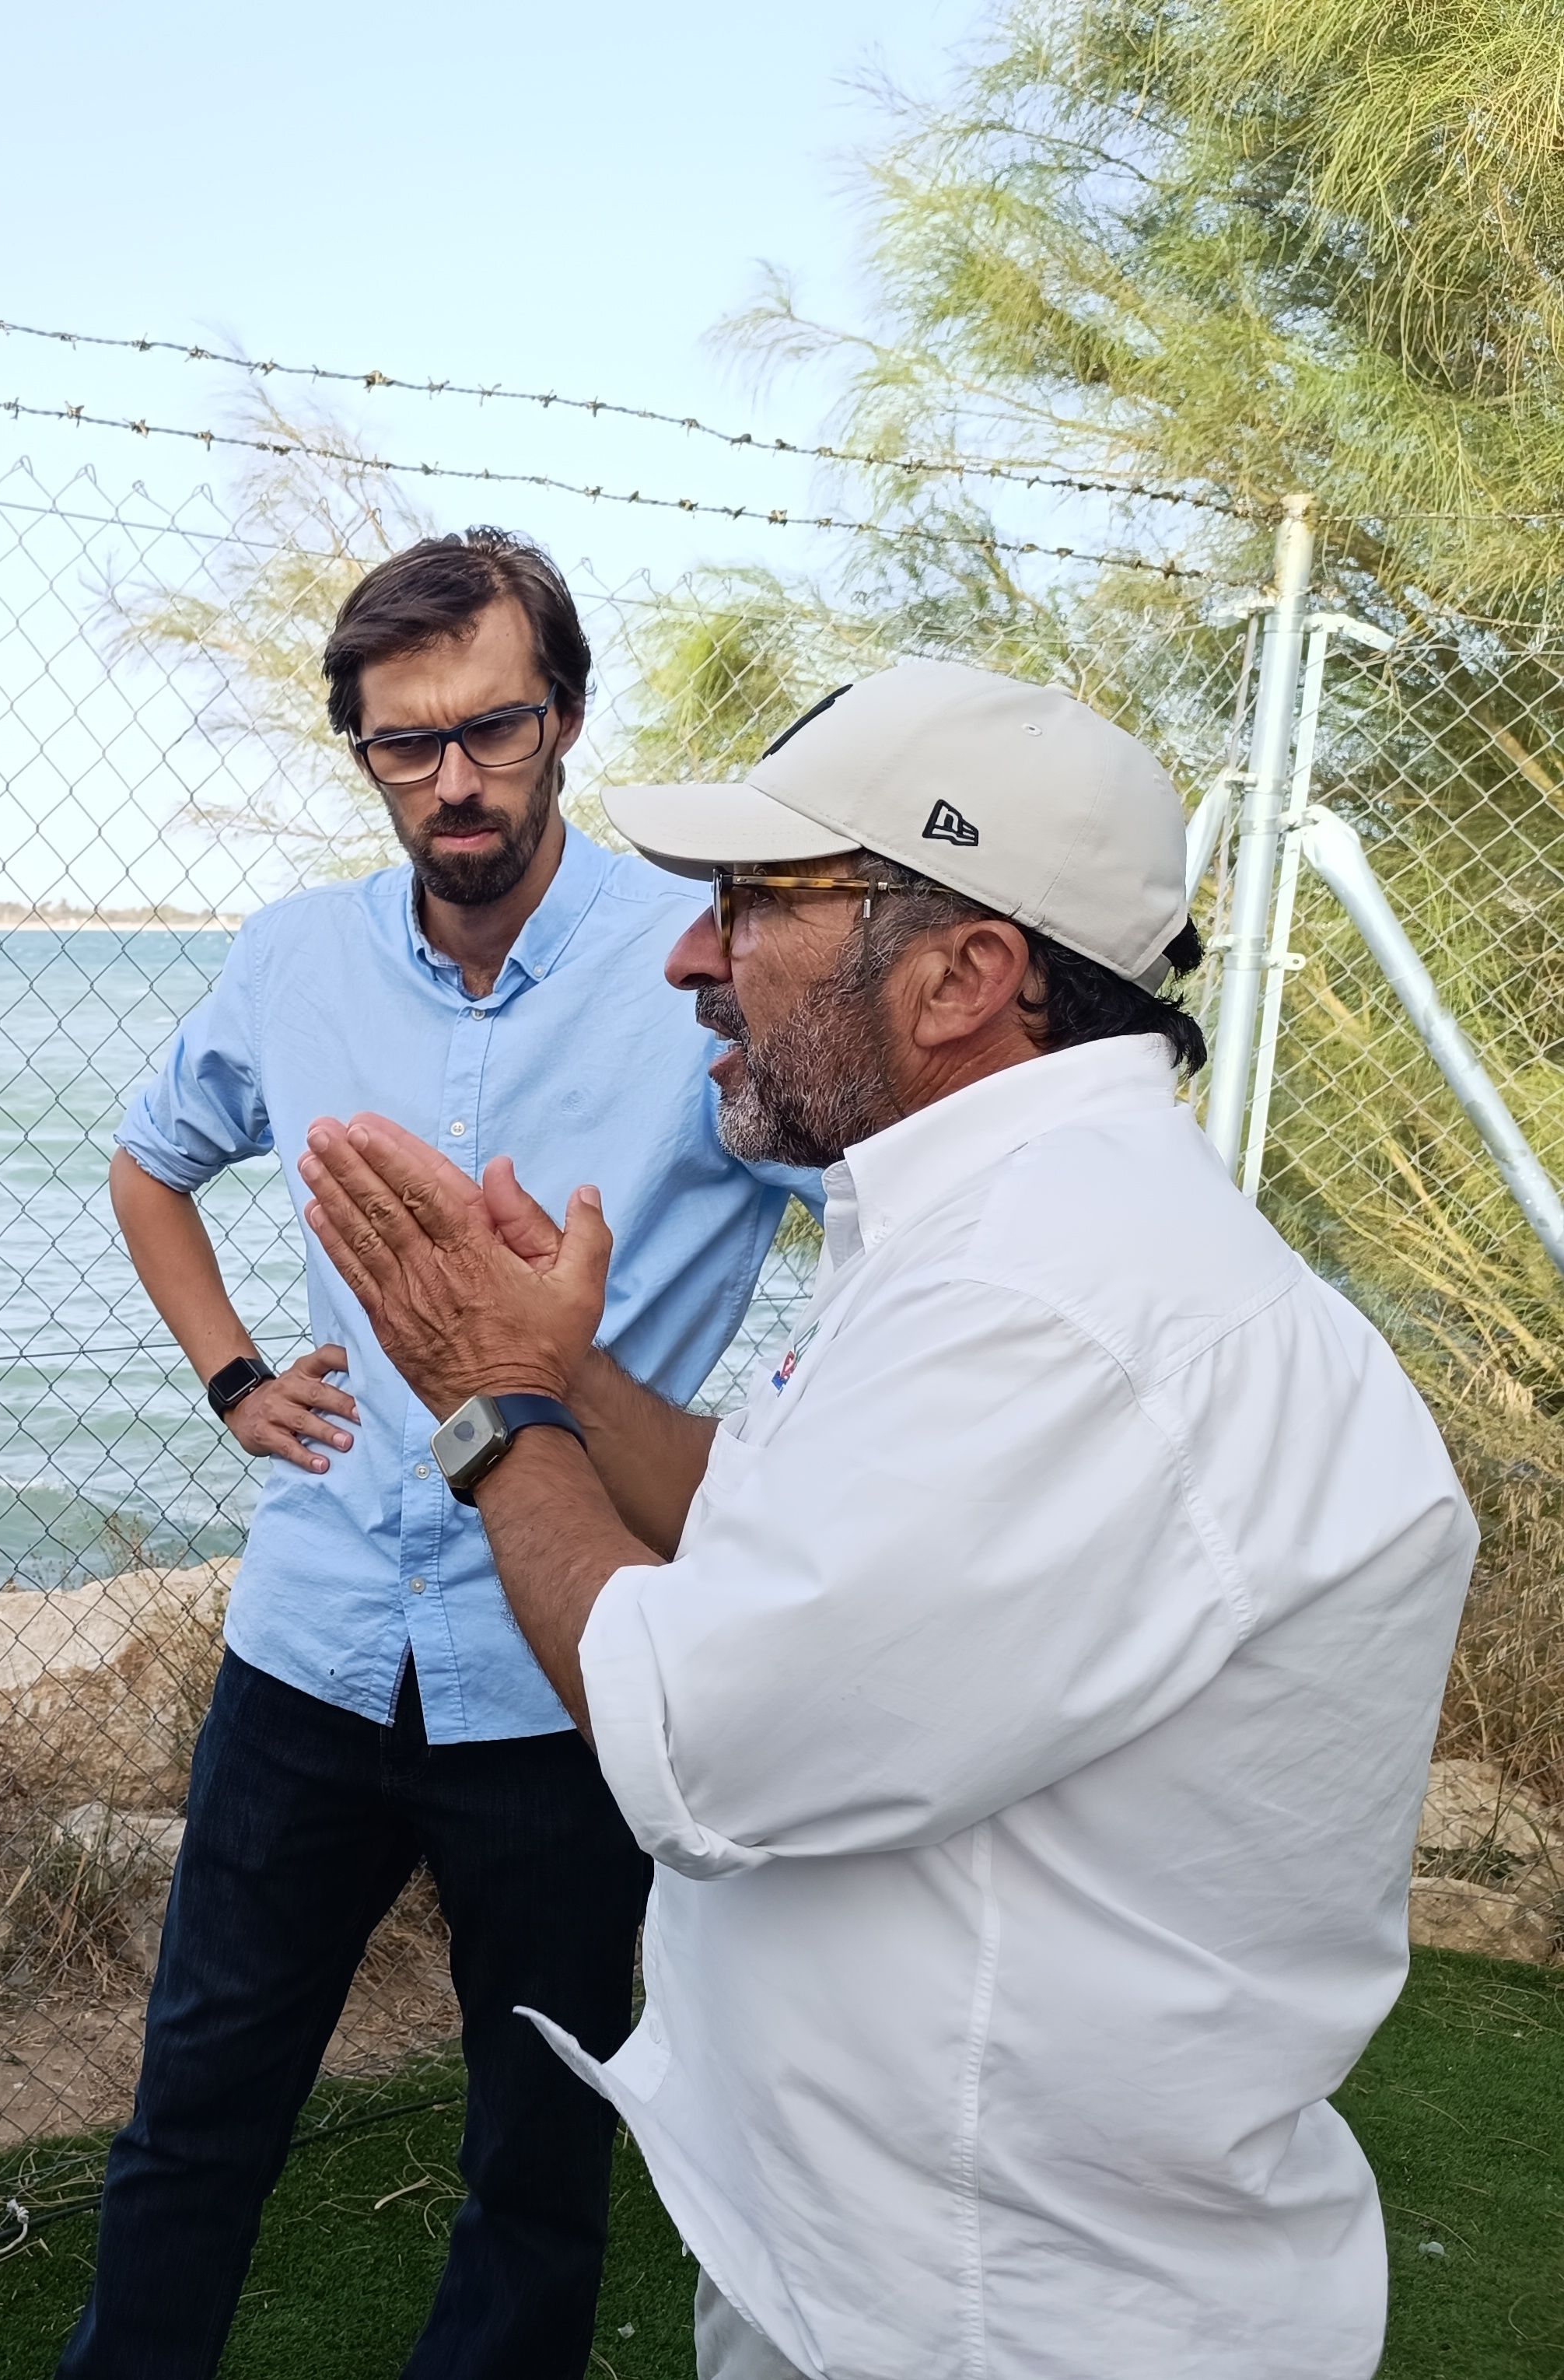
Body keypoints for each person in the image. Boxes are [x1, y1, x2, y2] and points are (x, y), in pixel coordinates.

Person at [296, 657, 1476, 2380]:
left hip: (994, 2319)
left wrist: (492, 1408)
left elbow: (697, 1737)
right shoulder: (1016, 1236)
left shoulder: (1048, 1302)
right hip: (912, 2270)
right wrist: (568, 1375)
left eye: (752, 904)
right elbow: (792, 1538)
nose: (691, 957)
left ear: (963, 977)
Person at [68, 529, 813, 2380]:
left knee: (539, 2157)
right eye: (407, 742)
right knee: (195, 2114)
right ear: (363, 753)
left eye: (495, 727)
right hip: (311, 1639)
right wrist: (237, 1378)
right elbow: (152, 1164)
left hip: (563, 1659)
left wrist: (789, 1468)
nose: (455, 777)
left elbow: (883, 1207)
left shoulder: (700, 965)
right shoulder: (294, 958)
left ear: (565, 719)